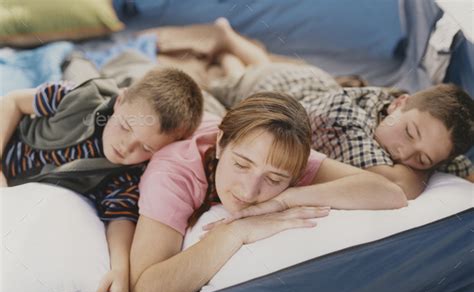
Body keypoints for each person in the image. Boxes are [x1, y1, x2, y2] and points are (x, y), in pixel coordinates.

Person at [80, 91, 407, 292]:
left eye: (275, 178)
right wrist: (233, 233)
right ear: (222, 144)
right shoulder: (173, 172)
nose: (250, 191)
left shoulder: (281, 156)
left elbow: (389, 193)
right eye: (241, 164)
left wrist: (285, 199)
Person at [145, 19, 474, 199]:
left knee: (250, 68)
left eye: (423, 159)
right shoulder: (347, 120)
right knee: (234, 82)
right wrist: (423, 168)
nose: (404, 153)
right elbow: (395, 186)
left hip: (317, 86)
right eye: (410, 132)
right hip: (287, 89)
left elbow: (462, 168)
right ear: (399, 103)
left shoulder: (423, 138)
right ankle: (226, 38)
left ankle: (230, 46)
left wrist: (435, 162)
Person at [0, 67, 204, 292]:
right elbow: (11, 102)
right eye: (126, 126)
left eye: (146, 147)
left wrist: (120, 270)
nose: (126, 146)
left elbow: (119, 220)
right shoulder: (79, 96)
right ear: (120, 100)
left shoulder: (125, 176)